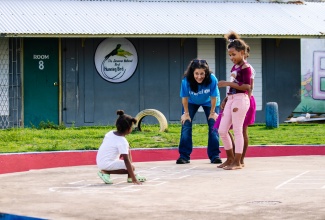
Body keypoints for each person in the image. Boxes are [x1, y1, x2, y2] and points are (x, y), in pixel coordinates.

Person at [213, 46, 256, 167]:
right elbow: (234, 86)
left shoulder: (246, 68)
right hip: (231, 98)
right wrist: (227, 98)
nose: (231, 57)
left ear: (242, 52)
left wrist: (227, 83)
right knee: (222, 130)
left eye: (234, 54)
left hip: (241, 99)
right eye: (230, 55)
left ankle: (238, 161)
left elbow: (247, 87)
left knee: (238, 130)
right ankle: (230, 158)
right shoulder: (234, 67)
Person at [176, 58, 222, 164]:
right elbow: (185, 97)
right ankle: (184, 156)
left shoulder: (212, 79)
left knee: (214, 126)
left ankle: (215, 155)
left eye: (202, 74)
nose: (199, 76)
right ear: (192, 72)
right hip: (191, 101)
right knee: (186, 125)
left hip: (210, 102)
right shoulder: (186, 81)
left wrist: (212, 113)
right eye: (196, 73)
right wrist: (186, 114)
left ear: (206, 73)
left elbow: (214, 97)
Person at [96, 110, 146, 184]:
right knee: (132, 167)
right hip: (107, 164)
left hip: (100, 161)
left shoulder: (110, 133)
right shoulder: (122, 141)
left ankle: (130, 176)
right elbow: (126, 161)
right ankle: (105, 172)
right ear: (128, 129)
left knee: (127, 149)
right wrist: (134, 179)